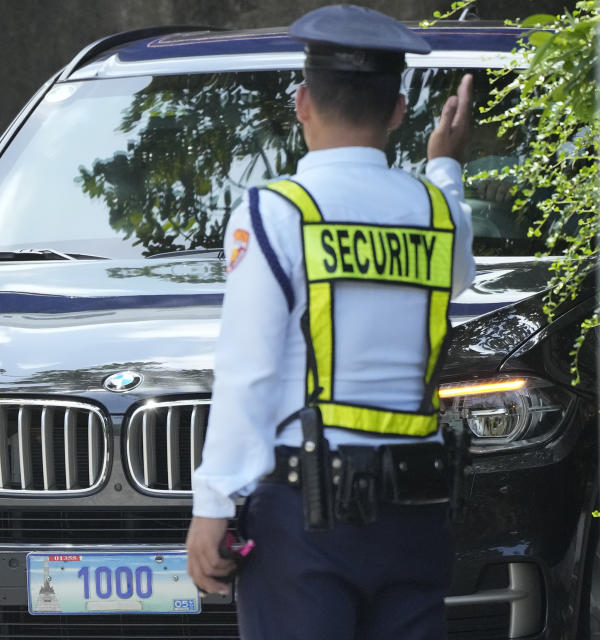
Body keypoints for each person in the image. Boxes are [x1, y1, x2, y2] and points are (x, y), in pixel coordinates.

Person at [185, 5, 475, 639]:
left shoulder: (274, 213)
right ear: (398, 110)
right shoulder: (439, 214)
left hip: (306, 515)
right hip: (417, 514)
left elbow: (249, 370)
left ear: (302, 102)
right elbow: (455, 273)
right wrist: (445, 163)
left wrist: (213, 503)